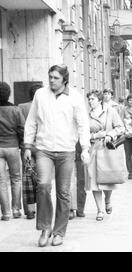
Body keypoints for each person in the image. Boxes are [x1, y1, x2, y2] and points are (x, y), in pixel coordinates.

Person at [24, 64, 90, 247]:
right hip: (43, 149)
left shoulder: (75, 98)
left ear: (64, 80)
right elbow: (31, 121)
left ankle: (59, 232)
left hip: (66, 150)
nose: (51, 80)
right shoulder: (40, 95)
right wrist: (28, 146)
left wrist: (85, 147)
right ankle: (45, 228)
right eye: (50, 77)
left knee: (63, 192)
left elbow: (83, 124)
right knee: (43, 186)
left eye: (55, 78)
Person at [85, 90, 124, 221]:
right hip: (93, 150)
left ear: (99, 100)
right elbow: (82, 133)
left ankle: (107, 200)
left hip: (106, 150)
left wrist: (109, 134)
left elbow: (120, 127)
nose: (90, 101)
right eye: (89, 99)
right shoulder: (87, 115)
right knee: (94, 181)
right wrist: (95, 135)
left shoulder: (110, 111)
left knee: (107, 179)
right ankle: (100, 210)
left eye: (93, 99)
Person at [0, 82, 25, 221]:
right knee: (16, 178)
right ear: (8, 94)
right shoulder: (16, 110)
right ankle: (16, 210)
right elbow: (22, 129)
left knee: (1, 181)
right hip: (13, 147)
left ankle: (6, 213)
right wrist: (22, 145)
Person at [18, 83, 43, 220]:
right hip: (41, 146)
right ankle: (42, 207)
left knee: (27, 177)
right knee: (41, 178)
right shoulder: (44, 106)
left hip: (26, 146)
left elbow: (21, 127)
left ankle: (29, 211)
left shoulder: (21, 107)